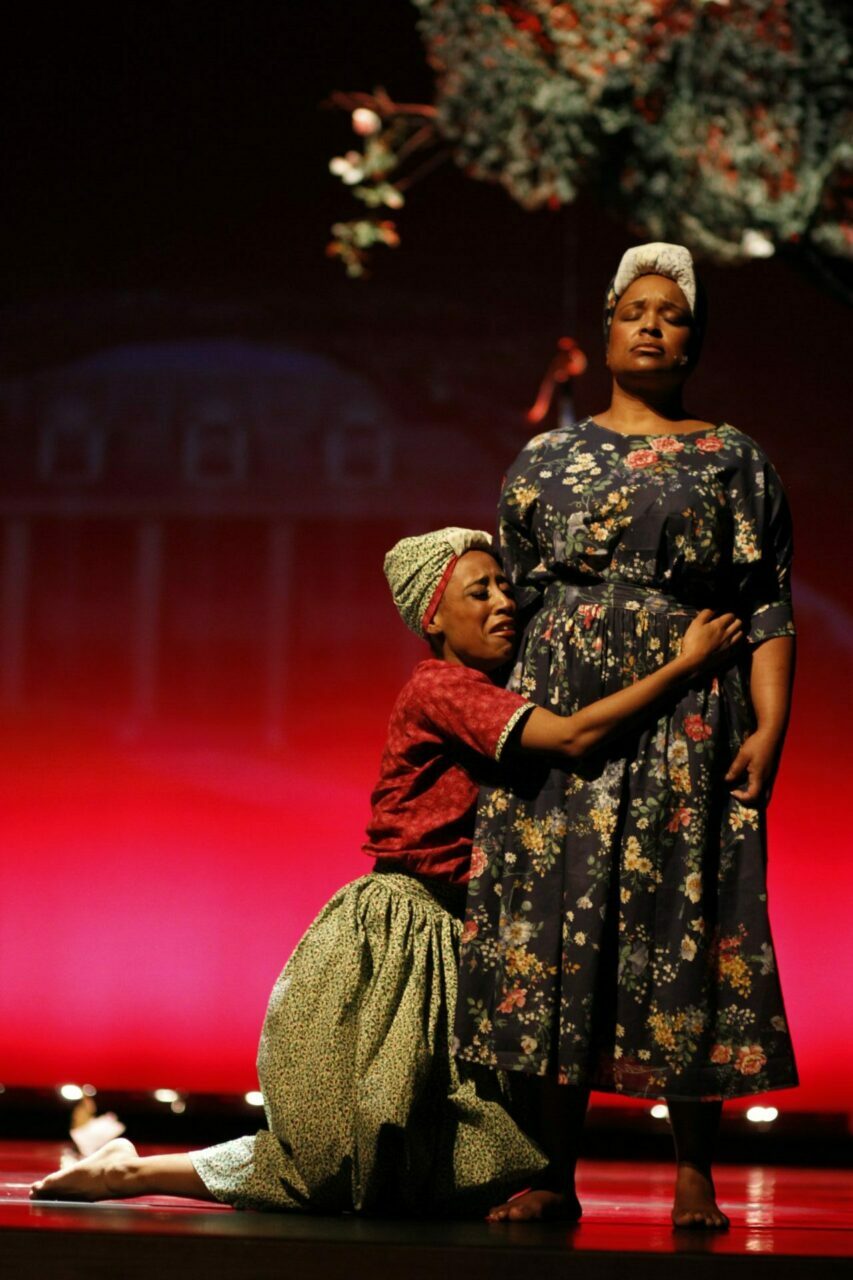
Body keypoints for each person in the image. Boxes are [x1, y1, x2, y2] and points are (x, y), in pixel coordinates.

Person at [31, 526, 741, 1215]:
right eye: (478, 592)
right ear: (432, 618)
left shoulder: (496, 686)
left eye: (503, 587)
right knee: (350, 1158)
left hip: (457, 929)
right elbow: (573, 735)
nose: (503, 603)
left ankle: (131, 1167)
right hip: (404, 929)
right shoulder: (444, 689)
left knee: (427, 1165)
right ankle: (133, 1171)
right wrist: (684, 663)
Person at [453, 242, 798, 1229]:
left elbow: (766, 604)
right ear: (606, 328)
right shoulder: (545, 459)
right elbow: (506, 599)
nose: (652, 324)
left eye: (672, 313)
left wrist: (768, 728)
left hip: (687, 727)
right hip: (564, 721)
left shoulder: (731, 455)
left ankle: (695, 1166)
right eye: (634, 310)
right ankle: (550, 1165)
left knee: (685, 929)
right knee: (555, 935)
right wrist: (484, 719)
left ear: (692, 338)